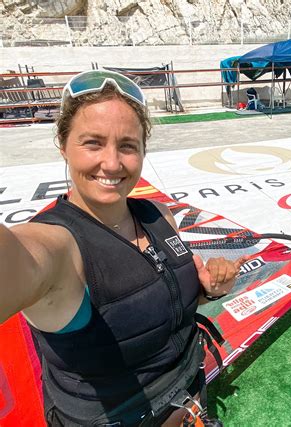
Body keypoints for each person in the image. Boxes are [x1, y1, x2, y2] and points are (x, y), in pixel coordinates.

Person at [0, 70, 249, 426]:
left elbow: (163, 305)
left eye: (128, 146)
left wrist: (209, 290)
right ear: (63, 144)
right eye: (93, 143)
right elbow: (17, 262)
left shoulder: (159, 215)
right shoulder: (57, 245)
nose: (113, 163)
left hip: (187, 395)